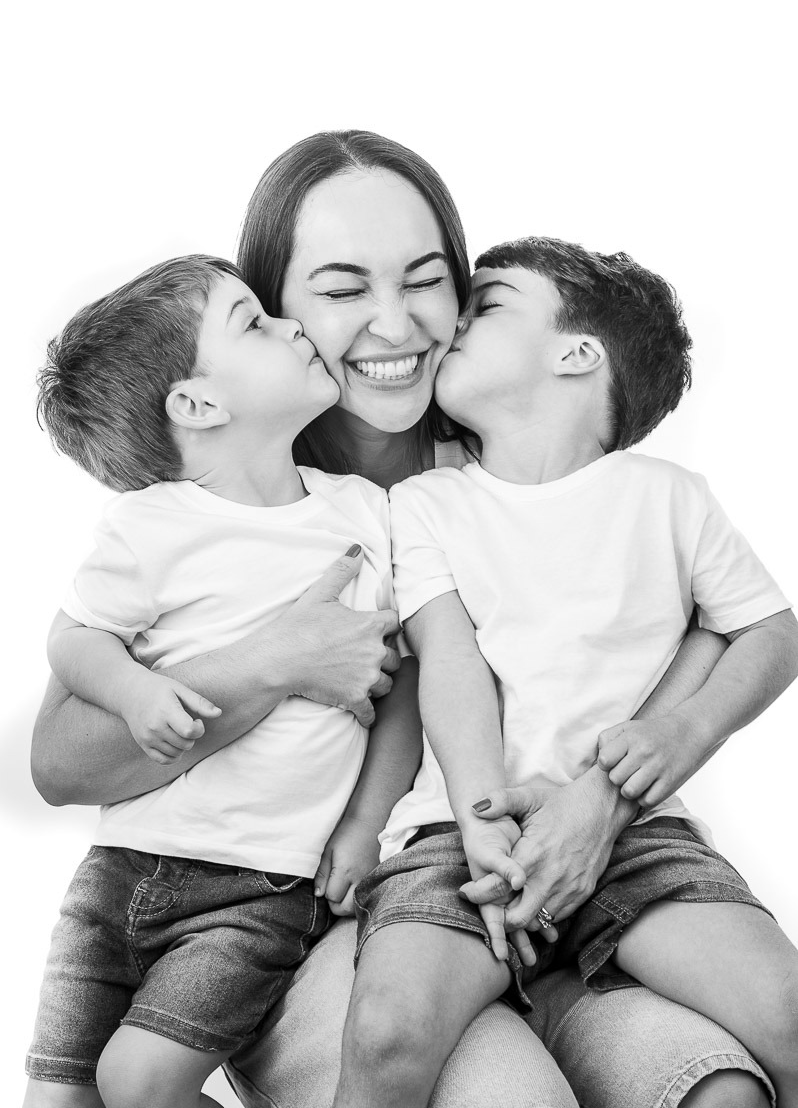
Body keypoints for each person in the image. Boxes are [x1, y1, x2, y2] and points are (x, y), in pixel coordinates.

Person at [31, 131, 779, 1108]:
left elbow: (714, 623)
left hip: (557, 871)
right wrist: (268, 662)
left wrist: (603, 800)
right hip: (314, 922)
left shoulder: (517, 455)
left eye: (427, 279)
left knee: (718, 1088)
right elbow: (60, 759)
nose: (397, 323)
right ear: (276, 310)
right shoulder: (210, 504)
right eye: (341, 290)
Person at [332, 237, 798, 1108]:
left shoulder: (668, 495)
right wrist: (480, 823)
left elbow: (771, 630)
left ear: (577, 354)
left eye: (490, 303)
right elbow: (451, 659)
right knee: (387, 1032)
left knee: (787, 1012)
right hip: (457, 835)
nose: (454, 322)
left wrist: (680, 732)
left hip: (638, 835)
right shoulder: (425, 505)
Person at [25, 255, 418, 1108]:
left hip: (262, 883)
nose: (292, 324)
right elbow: (75, 641)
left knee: (139, 1084)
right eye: (254, 321)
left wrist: (363, 824)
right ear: (199, 405)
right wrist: (135, 693)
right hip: (122, 866)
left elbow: (404, 691)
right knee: (56, 1099)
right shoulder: (149, 526)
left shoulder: (363, 513)